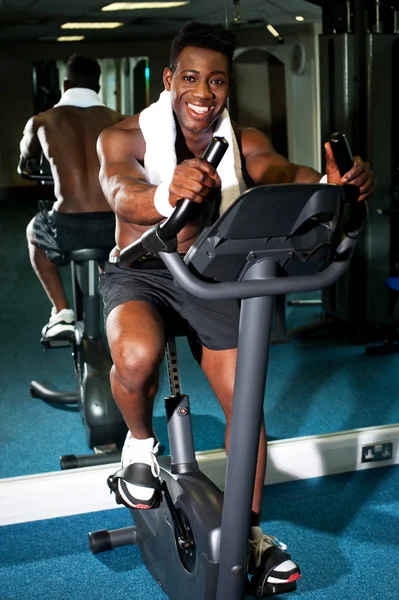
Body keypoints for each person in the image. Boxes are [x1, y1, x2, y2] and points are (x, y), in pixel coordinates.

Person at [96, 20, 376, 591]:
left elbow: (280, 173)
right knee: (136, 356)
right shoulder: (124, 137)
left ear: (227, 88)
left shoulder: (242, 140)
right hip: (142, 271)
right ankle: (139, 447)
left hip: (208, 274)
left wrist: (332, 182)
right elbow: (120, 188)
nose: (204, 93)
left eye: (217, 81)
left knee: (245, 406)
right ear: (170, 79)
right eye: (192, 78)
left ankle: (248, 534)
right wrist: (163, 193)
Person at [19, 54, 126, 340]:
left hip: (68, 229)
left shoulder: (41, 121)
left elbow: (25, 160)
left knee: (33, 231)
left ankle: (62, 312)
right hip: (112, 228)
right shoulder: (118, 120)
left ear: (65, 84)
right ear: (98, 87)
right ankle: (122, 306)